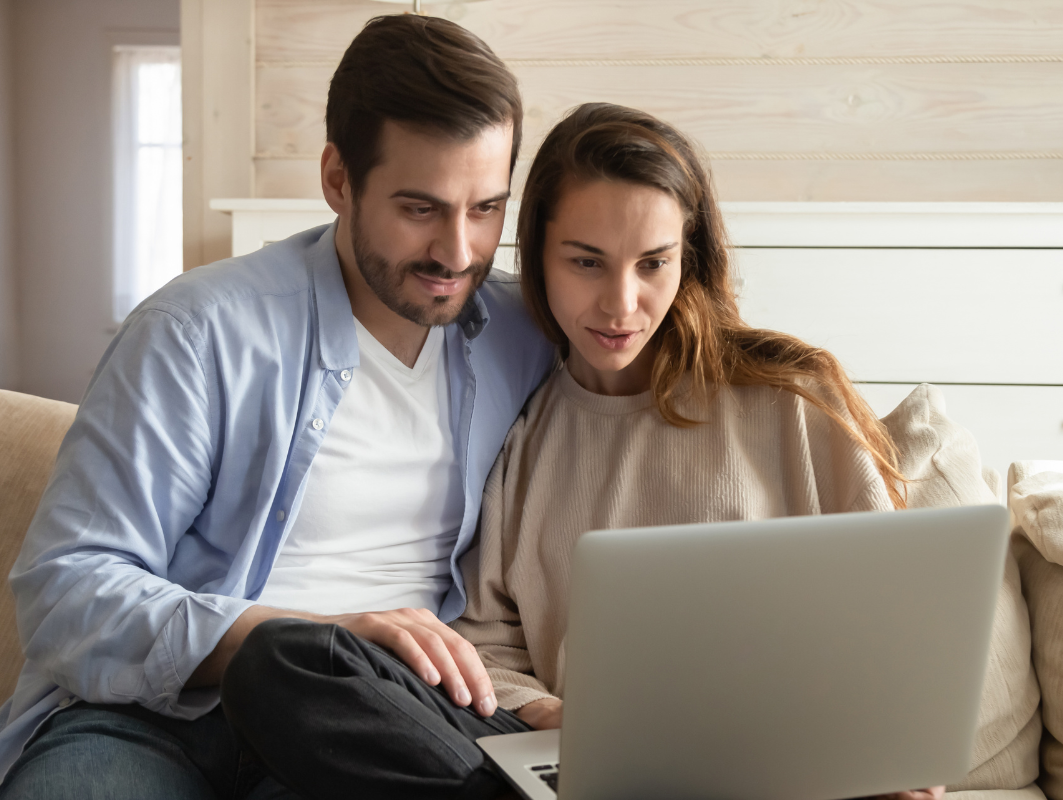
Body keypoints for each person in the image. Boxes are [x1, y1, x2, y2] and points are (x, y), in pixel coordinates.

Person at [219, 104, 943, 800]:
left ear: (687, 259)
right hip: (575, 758)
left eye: (653, 264)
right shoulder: (522, 423)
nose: (621, 304)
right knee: (282, 660)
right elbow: (489, 644)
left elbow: (889, 619)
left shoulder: (791, 402)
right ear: (538, 256)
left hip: (773, 762)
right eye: (587, 263)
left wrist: (890, 747)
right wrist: (545, 714)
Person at [0, 15, 554, 798]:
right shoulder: (197, 333)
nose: (458, 252)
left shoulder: (525, 335)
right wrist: (293, 639)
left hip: (377, 722)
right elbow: (68, 587)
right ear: (337, 179)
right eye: (420, 208)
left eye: (487, 208)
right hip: (156, 713)